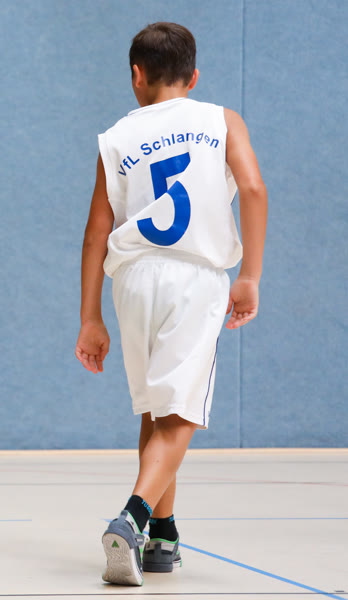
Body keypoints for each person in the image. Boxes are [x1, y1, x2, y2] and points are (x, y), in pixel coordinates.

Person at [75, 22, 267, 586]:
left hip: (132, 279)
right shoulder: (221, 120)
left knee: (156, 410)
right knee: (180, 413)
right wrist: (249, 275)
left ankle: (163, 536)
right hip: (194, 277)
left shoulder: (115, 137)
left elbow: (95, 232)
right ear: (195, 76)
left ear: (136, 75)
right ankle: (133, 519)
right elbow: (253, 189)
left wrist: (89, 317)